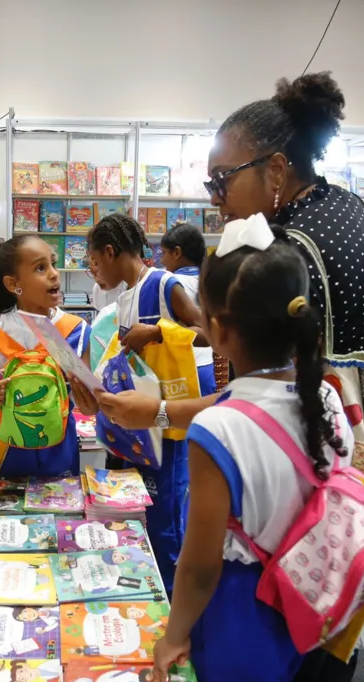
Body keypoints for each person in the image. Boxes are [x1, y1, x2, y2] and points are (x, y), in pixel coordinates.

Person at [95, 72, 364, 682]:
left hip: (246, 598)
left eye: (221, 181)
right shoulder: (346, 214)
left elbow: (203, 560)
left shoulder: (287, 246)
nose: (216, 199)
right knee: (311, 654)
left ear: (274, 169)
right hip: (352, 456)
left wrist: (164, 410)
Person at [150, 215, 354, 682]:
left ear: (217, 330)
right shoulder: (326, 395)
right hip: (312, 595)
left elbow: (199, 566)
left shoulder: (217, 428)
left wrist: (173, 635)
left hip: (241, 612)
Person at [85, 213, 208, 592]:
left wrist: (156, 331)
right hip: (139, 420)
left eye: (93, 263)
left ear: (110, 251)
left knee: (165, 506)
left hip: (167, 420)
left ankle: (171, 594)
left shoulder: (163, 283)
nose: (93, 273)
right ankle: (145, 582)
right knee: (140, 503)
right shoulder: (125, 297)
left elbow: (207, 332)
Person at [0, 233, 95, 477]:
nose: (54, 273)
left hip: (59, 446)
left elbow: (89, 402)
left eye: (52, 262)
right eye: (41, 267)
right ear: (12, 284)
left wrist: (92, 402)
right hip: (7, 446)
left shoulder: (76, 330)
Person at [159, 222, 216, 393]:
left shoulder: (168, 282)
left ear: (177, 252)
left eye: (163, 253)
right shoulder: (211, 279)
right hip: (206, 363)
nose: (161, 260)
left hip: (181, 368)